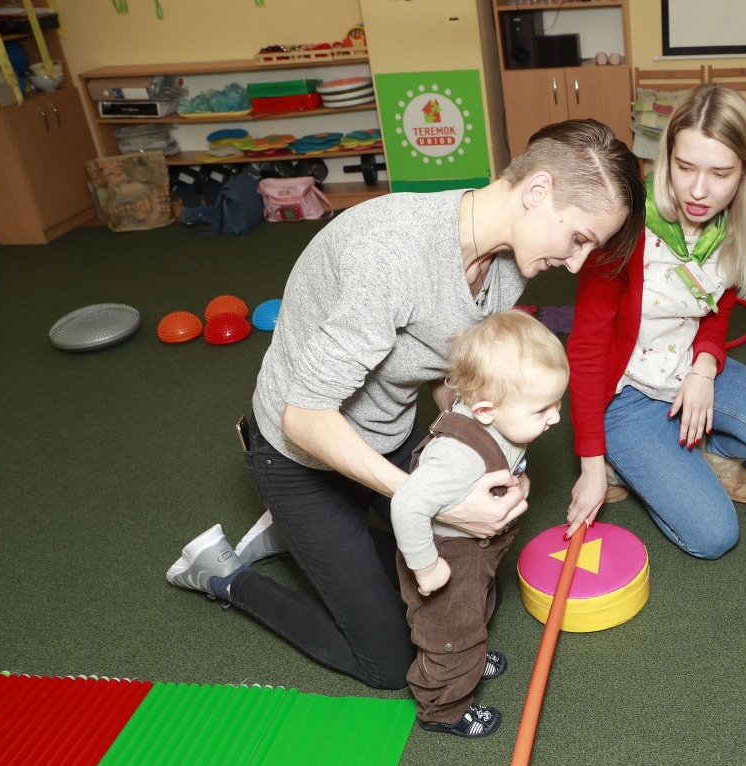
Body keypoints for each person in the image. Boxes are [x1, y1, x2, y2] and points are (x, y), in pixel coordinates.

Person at [165, 119, 644, 689]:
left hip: (386, 437)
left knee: (455, 552)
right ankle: (224, 574)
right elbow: (304, 417)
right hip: (298, 454)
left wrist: (490, 460)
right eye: (581, 238)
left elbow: (454, 379)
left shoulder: (509, 267)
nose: (577, 263)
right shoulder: (391, 256)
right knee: (391, 663)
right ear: (537, 192)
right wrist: (433, 500)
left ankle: (299, 538)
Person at [565, 84, 746, 559]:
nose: (699, 191)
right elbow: (588, 349)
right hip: (625, 394)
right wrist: (591, 461)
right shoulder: (626, 226)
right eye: (685, 168)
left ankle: (706, 451)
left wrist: (703, 370)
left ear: (744, 172)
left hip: (687, 372)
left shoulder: (733, 225)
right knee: (714, 535)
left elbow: (717, 311)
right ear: (666, 156)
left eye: (720, 173)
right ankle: (624, 459)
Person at [394, 310, 568, 739]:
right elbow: (406, 503)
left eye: (558, 403)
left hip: (480, 552)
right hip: (447, 558)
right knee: (449, 636)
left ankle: (470, 656)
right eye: (543, 408)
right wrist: (425, 566)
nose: (556, 418)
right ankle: (445, 709)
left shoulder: (499, 418)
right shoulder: (457, 457)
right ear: (486, 410)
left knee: (478, 610)